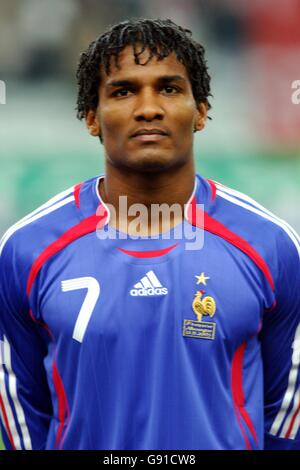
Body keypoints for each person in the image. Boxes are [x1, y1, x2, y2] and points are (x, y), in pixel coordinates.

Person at [0, 18, 299, 451]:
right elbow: (20, 410)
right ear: (91, 117)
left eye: (170, 89)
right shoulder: (27, 250)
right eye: (123, 91)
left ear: (200, 112)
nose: (148, 108)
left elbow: (285, 412)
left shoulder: (270, 245)